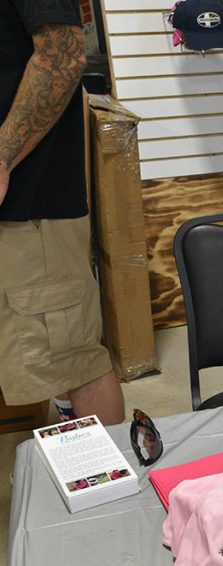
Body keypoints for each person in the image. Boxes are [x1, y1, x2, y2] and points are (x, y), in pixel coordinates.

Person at [0, 0, 124, 425]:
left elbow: (64, 54)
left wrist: (1, 157)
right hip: (17, 201)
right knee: (37, 357)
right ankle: (72, 460)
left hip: (30, 202)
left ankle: (107, 486)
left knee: (72, 360)